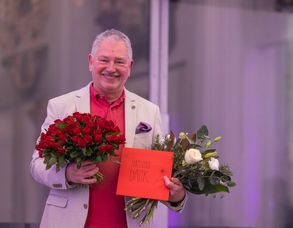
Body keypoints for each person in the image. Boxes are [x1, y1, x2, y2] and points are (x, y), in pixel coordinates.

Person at [30, 29, 186, 228]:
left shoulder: (149, 111)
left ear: (130, 67)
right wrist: (67, 173)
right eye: (104, 60)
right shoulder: (61, 106)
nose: (111, 68)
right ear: (90, 62)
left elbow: (158, 176)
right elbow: (37, 164)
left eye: (119, 62)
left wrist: (176, 196)